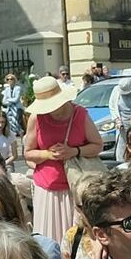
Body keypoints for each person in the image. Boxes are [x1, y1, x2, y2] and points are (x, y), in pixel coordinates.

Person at [23, 76, 101, 242]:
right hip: (47, 191)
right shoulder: (36, 118)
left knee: (76, 241)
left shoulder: (79, 114)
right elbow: (28, 153)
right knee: (49, 242)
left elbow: (97, 145)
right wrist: (48, 154)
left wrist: (74, 151)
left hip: (75, 187)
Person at [0, 74, 26, 160]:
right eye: (8, 79)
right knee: (10, 127)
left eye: (11, 79)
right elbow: (3, 101)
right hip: (9, 110)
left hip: (17, 109)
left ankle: (24, 145)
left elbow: (16, 99)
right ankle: (13, 148)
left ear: (14, 80)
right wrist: (9, 101)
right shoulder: (6, 90)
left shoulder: (18, 88)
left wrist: (8, 100)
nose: (9, 81)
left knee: (19, 126)